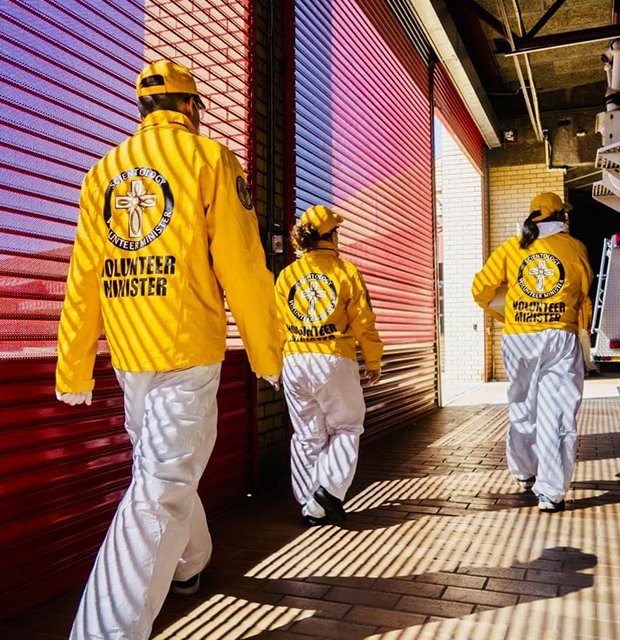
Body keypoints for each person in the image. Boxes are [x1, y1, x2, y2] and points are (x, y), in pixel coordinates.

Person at [55, 59, 282, 640]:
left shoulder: (103, 172)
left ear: (143, 111)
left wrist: (74, 367)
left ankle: (189, 564)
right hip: (187, 351)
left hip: (130, 356)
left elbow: (83, 279)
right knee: (161, 488)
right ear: (190, 107)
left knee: (162, 472)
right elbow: (243, 267)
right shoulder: (210, 159)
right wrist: (267, 353)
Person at [472, 192, 593, 512]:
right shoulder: (575, 248)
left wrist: (506, 314)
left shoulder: (512, 247)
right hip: (559, 337)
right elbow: (583, 290)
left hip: (519, 338)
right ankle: (551, 492)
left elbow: (480, 289)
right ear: (562, 217)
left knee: (523, 406)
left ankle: (524, 471)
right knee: (558, 413)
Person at [274, 205, 383, 526]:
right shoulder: (346, 272)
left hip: (295, 360)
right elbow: (364, 320)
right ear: (329, 236)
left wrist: (272, 365)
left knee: (307, 435)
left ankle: (310, 504)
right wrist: (373, 359)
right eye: (337, 232)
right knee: (347, 426)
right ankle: (329, 491)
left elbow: (276, 325)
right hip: (334, 357)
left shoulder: (287, 275)